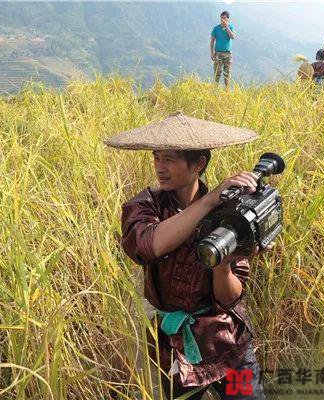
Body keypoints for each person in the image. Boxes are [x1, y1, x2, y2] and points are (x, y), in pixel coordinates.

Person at [105, 113, 269, 399]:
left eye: (169, 159)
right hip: (174, 346)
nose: (160, 167)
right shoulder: (144, 206)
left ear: (198, 164)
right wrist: (209, 200)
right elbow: (147, 246)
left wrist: (222, 264)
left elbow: (229, 298)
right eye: (157, 158)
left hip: (227, 342)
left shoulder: (229, 214)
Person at [210, 11, 236, 90]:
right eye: (221, 18)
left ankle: (227, 91)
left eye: (224, 18)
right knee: (217, 73)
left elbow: (232, 37)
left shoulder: (230, 27)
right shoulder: (216, 28)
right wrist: (212, 53)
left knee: (227, 73)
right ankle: (215, 90)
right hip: (218, 53)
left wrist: (226, 27)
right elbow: (212, 41)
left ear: (228, 19)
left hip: (227, 54)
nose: (223, 19)